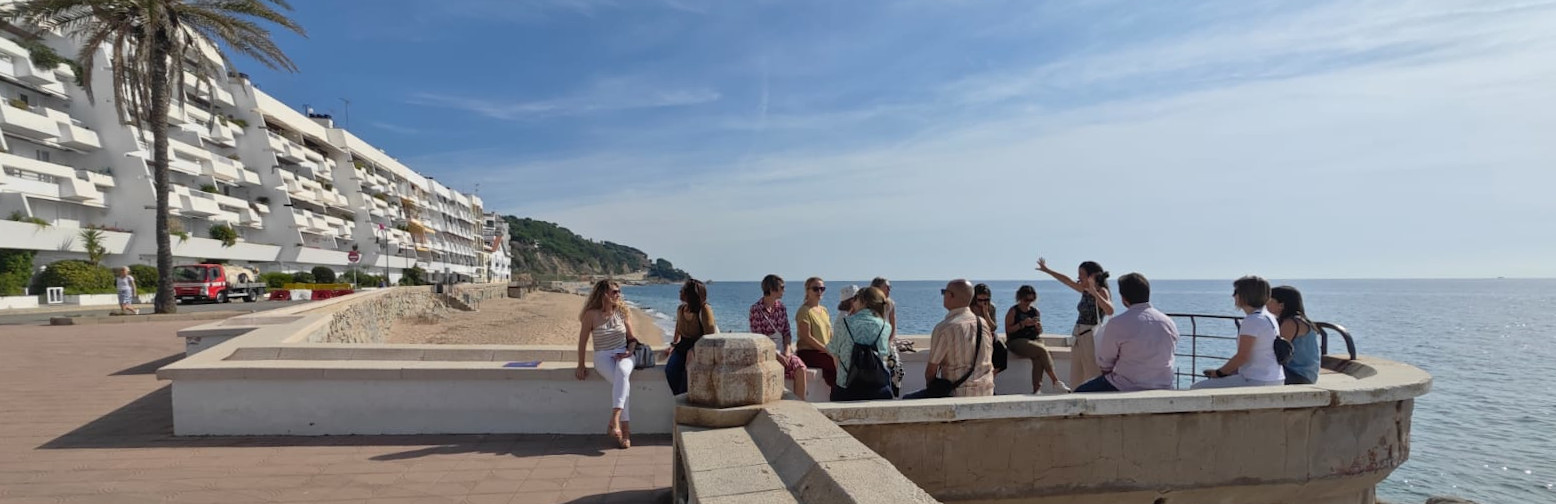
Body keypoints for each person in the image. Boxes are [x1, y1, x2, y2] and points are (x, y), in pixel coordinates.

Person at [1073, 273, 1179, 392]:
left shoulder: (1117, 323)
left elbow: (1105, 365)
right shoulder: (1168, 322)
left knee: (1079, 392)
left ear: (1124, 298)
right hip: (1164, 385)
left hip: (1125, 386)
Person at [573, 279, 640, 448]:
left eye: (619, 291)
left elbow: (632, 339)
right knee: (623, 386)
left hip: (624, 353)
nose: (618, 294)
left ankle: (615, 420)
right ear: (603, 294)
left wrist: (629, 351)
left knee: (623, 373)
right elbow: (582, 342)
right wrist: (581, 365)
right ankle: (625, 431)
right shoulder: (591, 315)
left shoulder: (622, 312)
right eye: (614, 292)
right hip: (602, 356)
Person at [904, 279, 995, 398]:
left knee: (907, 399)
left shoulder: (945, 328)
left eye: (944, 292)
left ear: (951, 296)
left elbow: (930, 372)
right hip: (986, 392)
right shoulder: (982, 324)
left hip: (957, 394)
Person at [1191, 276, 1285, 389]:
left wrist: (1219, 373)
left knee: (1196, 389)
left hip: (1256, 380)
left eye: (1236, 292)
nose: (1233, 296)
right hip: (1275, 378)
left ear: (1245, 295)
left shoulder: (1252, 320)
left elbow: (1242, 357)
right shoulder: (1269, 317)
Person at [1035, 258, 1114, 387]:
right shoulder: (1085, 290)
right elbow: (1066, 281)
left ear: (1092, 275)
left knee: (1091, 372)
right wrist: (1047, 270)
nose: (1079, 277)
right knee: (1076, 374)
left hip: (1090, 336)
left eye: (1082, 274)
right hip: (1078, 336)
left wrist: (1095, 293)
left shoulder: (1102, 291)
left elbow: (1110, 310)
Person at [828, 287, 895, 401]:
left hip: (846, 389)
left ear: (863, 301)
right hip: (878, 389)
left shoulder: (843, 323)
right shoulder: (885, 326)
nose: (853, 301)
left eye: (855, 298)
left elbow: (834, 353)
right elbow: (883, 355)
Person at [749, 274, 808, 401]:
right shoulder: (756, 310)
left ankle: (801, 404)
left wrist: (786, 352)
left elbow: (787, 332)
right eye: (782, 287)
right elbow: (759, 339)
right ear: (772, 289)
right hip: (765, 353)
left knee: (800, 368)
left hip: (782, 349)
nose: (784, 290)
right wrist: (776, 356)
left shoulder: (781, 307)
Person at [1004, 285, 1068, 393]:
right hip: (1017, 340)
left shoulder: (1035, 311)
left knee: (1038, 358)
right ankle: (1055, 381)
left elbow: (1039, 332)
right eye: (1026, 299)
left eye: (1031, 299)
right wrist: (1022, 324)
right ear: (1020, 298)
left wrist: (1038, 327)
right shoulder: (1014, 311)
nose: (1028, 302)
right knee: (1042, 350)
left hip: (1034, 340)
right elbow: (1008, 330)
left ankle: (1036, 389)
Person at [663, 279, 716, 396]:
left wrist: (693, 350)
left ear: (690, 294)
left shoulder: (704, 309)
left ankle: (684, 401)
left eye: (682, 290)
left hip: (699, 346)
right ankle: (679, 399)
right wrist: (673, 343)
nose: (680, 292)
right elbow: (678, 326)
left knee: (687, 376)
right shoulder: (681, 309)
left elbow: (710, 336)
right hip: (683, 345)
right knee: (670, 370)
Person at [1270, 286, 1321, 385]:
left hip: (1298, 375)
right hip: (1305, 374)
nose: (1265, 304)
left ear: (1281, 305)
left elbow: (1277, 351)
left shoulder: (1291, 323)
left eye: (1269, 301)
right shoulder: (1298, 320)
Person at [794, 277, 837, 389]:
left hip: (823, 352)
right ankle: (839, 393)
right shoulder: (804, 311)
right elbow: (807, 337)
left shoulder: (824, 310)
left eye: (822, 289)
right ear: (807, 290)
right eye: (815, 289)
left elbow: (829, 333)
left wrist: (835, 348)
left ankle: (837, 392)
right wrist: (827, 350)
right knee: (835, 362)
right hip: (809, 352)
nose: (819, 292)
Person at [870, 277, 905, 396]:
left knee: (896, 368)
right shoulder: (868, 304)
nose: (889, 289)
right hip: (872, 342)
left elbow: (893, 325)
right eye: (887, 287)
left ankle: (894, 393)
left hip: (887, 341)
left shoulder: (890, 304)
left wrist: (889, 342)